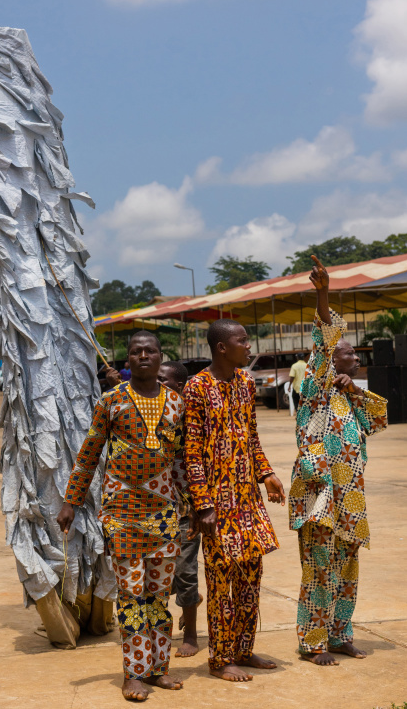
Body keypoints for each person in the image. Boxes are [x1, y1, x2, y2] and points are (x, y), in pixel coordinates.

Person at [58, 331, 185, 701]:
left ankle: (159, 669)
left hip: (164, 514)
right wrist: (72, 501)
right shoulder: (111, 401)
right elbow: (89, 454)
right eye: (135, 351)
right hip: (123, 514)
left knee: (160, 595)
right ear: (127, 360)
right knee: (131, 595)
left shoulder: (176, 403)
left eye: (150, 351)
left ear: (162, 357)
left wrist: (191, 510)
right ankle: (133, 673)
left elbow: (181, 461)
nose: (143, 356)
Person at [288, 256, 388, 666]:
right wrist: (324, 293)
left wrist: (355, 388)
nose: (355, 358)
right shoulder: (316, 389)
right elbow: (326, 338)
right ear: (330, 360)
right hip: (319, 495)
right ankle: (313, 643)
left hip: (350, 498)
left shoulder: (351, 399)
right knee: (318, 571)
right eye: (348, 354)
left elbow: (380, 419)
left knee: (346, 569)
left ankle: (340, 634)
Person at [183, 319, 285, 683]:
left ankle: (243, 648)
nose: (249, 346)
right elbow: (191, 453)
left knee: (251, 576)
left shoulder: (245, 382)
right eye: (243, 341)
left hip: (247, 499)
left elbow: (251, 436)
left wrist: (266, 474)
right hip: (216, 505)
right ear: (222, 347)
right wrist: (203, 505)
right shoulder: (196, 387)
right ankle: (221, 658)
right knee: (221, 583)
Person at [157, 360, 202, 659]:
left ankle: (191, 635)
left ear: (179, 386)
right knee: (163, 574)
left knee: (185, 572)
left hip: (186, 508)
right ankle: (190, 603)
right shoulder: (149, 414)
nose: (157, 385)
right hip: (156, 509)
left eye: (163, 380)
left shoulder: (190, 416)